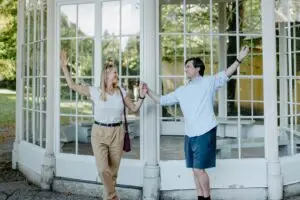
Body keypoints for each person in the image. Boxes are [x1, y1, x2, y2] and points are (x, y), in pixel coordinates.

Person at [145, 46, 250, 200]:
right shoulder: (182, 90)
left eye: (188, 66)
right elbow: (162, 100)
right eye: (185, 67)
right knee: (195, 170)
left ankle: (207, 198)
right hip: (190, 134)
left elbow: (227, 73)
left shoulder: (208, 83)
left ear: (197, 69)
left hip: (205, 132)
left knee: (199, 170)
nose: (185, 69)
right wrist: (147, 91)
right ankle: (200, 197)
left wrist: (239, 58)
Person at [60, 51, 147, 200]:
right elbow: (72, 85)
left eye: (117, 73)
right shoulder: (95, 92)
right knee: (103, 170)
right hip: (99, 132)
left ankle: (108, 197)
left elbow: (134, 108)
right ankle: (113, 197)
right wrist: (64, 67)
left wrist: (141, 96)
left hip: (117, 133)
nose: (117, 75)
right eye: (114, 72)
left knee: (113, 173)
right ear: (106, 76)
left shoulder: (121, 92)